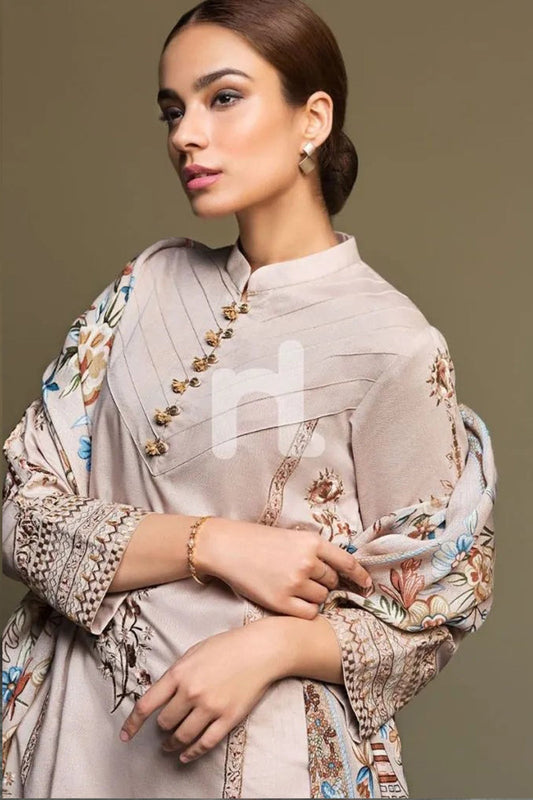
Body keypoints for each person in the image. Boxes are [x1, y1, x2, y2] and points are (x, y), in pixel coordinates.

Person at [1, 1, 496, 797]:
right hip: (73, 744)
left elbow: (432, 610)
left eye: (222, 97)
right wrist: (213, 543)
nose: (185, 135)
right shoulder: (143, 289)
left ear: (313, 120)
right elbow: (19, 513)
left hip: (262, 755)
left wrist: (273, 647)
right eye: (173, 110)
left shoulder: (392, 343)